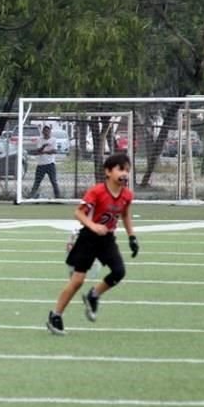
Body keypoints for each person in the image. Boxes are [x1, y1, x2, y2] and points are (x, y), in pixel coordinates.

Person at [47, 153, 138, 335]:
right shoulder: (97, 192)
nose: (124, 174)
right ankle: (56, 315)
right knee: (77, 281)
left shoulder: (127, 195)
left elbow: (126, 214)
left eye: (127, 170)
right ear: (108, 171)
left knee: (119, 271)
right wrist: (93, 226)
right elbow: (79, 213)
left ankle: (93, 295)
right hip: (88, 238)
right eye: (120, 169)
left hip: (107, 238)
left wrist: (132, 236)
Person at [29, 124, 61, 199]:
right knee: (37, 182)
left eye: (48, 131)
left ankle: (58, 197)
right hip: (41, 164)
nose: (46, 132)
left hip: (50, 164)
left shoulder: (53, 140)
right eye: (45, 131)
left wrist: (45, 152)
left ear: (50, 132)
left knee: (53, 181)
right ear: (42, 132)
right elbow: (38, 151)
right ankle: (31, 196)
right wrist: (44, 146)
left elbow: (54, 151)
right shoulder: (40, 140)